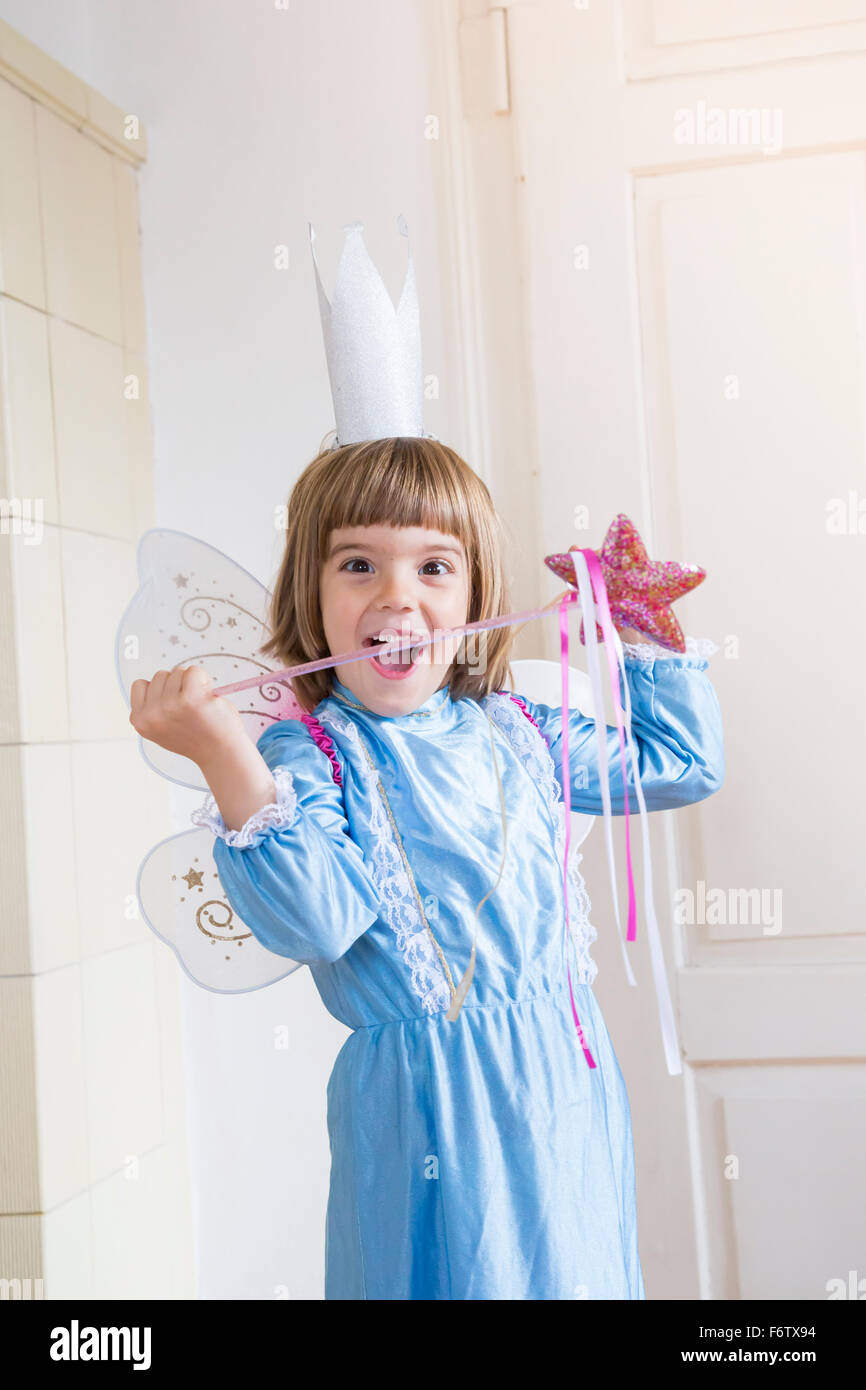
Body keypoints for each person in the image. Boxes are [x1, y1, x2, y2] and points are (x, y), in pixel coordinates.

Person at [128, 434, 724, 1300]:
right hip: (427, 1110)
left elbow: (680, 764)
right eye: (358, 565)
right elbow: (320, 921)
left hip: (563, 1086)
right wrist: (225, 754)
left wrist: (637, 622)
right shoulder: (310, 756)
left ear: (477, 595)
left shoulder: (519, 728)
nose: (397, 596)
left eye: (435, 567)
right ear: (311, 594)